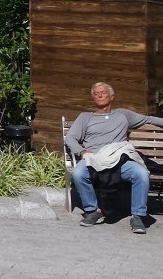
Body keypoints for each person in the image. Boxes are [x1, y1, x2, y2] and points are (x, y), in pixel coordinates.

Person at [64, 82, 163, 234]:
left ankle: (138, 215)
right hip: (94, 157)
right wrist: (82, 152)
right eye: (96, 93)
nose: (100, 95)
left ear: (111, 96)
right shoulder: (85, 118)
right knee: (78, 173)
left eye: (103, 92)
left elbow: (148, 119)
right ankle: (92, 211)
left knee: (141, 174)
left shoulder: (122, 115)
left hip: (119, 157)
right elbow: (70, 138)